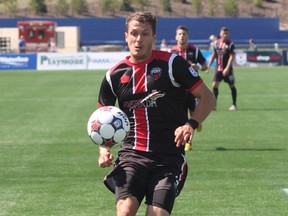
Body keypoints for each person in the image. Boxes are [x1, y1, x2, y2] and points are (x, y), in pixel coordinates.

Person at [96, 11, 215, 216]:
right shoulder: (113, 76)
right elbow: (102, 116)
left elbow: (208, 98)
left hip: (168, 157)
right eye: (134, 33)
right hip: (132, 155)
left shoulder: (172, 65)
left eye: (145, 34)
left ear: (154, 37)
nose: (138, 39)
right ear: (126, 36)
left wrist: (190, 124)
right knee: (124, 211)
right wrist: (103, 149)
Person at [170, 25, 208, 151]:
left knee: (193, 115)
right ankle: (188, 143)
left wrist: (198, 67)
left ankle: (197, 121)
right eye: (179, 34)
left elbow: (204, 66)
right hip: (177, 91)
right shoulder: (171, 52)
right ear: (176, 36)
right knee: (182, 118)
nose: (182, 36)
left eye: (184, 34)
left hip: (192, 90)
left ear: (188, 36)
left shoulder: (194, 51)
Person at [206, 27, 237, 111]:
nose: (225, 35)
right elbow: (214, 54)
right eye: (224, 33)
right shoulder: (216, 43)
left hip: (228, 70)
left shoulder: (230, 44)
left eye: (226, 33)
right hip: (218, 69)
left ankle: (234, 104)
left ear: (228, 34)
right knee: (214, 85)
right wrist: (209, 65)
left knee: (232, 85)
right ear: (220, 34)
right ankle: (214, 105)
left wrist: (227, 68)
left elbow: (231, 57)